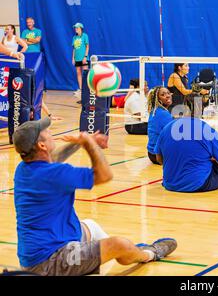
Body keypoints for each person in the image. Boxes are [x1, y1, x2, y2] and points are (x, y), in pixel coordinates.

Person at [12, 118, 177, 276]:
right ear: (41, 145)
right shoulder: (56, 173)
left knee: (90, 226)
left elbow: (51, 159)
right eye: (46, 131)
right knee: (118, 244)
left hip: (36, 257)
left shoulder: (24, 169)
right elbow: (104, 175)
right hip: (50, 264)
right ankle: (149, 253)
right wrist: (90, 144)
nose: (49, 132)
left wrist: (81, 143)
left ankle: (126, 251)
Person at [147, 86, 174, 165]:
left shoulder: (155, 111)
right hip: (160, 156)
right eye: (163, 94)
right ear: (158, 99)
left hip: (152, 153)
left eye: (168, 93)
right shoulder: (163, 114)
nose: (168, 95)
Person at [72, 23, 89, 101]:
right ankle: (81, 89)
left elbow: (87, 46)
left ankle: (87, 89)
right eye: (75, 28)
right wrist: (73, 58)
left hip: (83, 58)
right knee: (78, 73)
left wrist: (85, 57)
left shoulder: (85, 36)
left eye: (77, 28)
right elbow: (74, 49)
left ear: (81, 28)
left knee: (85, 73)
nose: (76, 29)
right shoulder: (74, 37)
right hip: (77, 58)